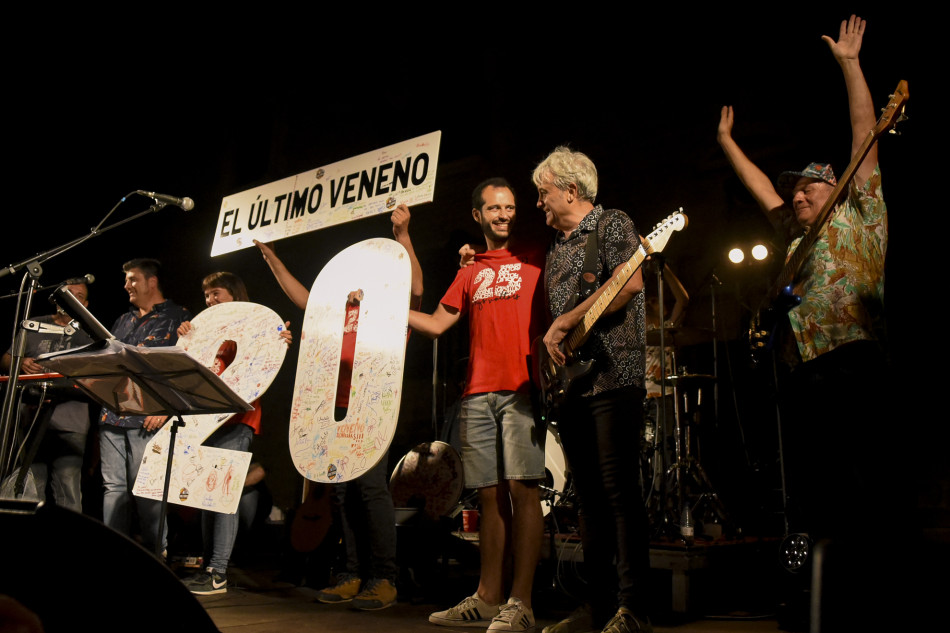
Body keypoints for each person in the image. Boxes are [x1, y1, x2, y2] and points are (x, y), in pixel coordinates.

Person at [716, 15, 895, 630]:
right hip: (804, 369)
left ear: (833, 187)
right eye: (793, 193)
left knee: (863, 483)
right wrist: (727, 143)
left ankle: (873, 593)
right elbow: (761, 189)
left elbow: (865, 133)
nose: (796, 197)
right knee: (815, 490)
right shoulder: (796, 238)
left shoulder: (860, 210)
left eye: (808, 190)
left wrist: (850, 64)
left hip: (853, 359)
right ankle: (821, 596)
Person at [254, 204, 423, 611]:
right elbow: (306, 300)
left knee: (370, 489)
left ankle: (384, 577)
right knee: (342, 491)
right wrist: (272, 258)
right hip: (334, 406)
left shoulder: (389, 307)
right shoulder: (339, 310)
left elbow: (415, 290)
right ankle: (352, 573)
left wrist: (403, 237)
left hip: (372, 409)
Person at [409, 178, 547, 632]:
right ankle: (488, 597)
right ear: (477, 215)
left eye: (509, 207)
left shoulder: (534, 257)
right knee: (488, 496)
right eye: (494, 208)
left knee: (523, 491)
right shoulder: (469, 270)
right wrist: (386, 309)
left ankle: (521, 602)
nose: (503, 214)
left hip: (521, 390)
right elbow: (435, 324)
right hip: (475, 395)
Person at [536, 147, 652, 633]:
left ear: (570, 190)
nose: (539, 202)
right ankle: (600, 607)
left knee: (619, 492)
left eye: (543, 192)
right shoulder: (557, 247)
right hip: (575, 387)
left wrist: (567, 320)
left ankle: (634, 608)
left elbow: (631, 282)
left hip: (614, 376)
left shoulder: (612, 223)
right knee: (587, 499)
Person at [176, 271, 292, 594]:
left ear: (235, 295)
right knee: (206, 496)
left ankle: (218, 571)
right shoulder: (207, 330)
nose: (210, 300)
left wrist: (279, 339)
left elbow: (268, 355)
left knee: (222, 496)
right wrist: (187, 336)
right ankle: (208, 567)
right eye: (207, 295)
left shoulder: (251, 326)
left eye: (216, 293)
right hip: (206, 421)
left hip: (238, 419)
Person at [98, 258, 190, 557]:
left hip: (148, 417)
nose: (126, 285)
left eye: (133, 279)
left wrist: (164, 408)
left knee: (147, 488)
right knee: (114, 488)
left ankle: (155, 557)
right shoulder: (122, 321)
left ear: (152, 282)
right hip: (113, 413)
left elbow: (184, 368)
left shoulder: (179, 317)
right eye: (126, 279)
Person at [1, 278, 94, 512]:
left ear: (86, 304)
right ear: (57, 299)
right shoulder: (35, 324)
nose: (72, 300)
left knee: (68, 489)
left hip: (71, 423)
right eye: (68, 295)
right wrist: (22, 362)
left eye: (79, 296)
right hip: (32, 421)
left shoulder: (91, 333)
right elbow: (6, 359)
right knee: (32, 487)